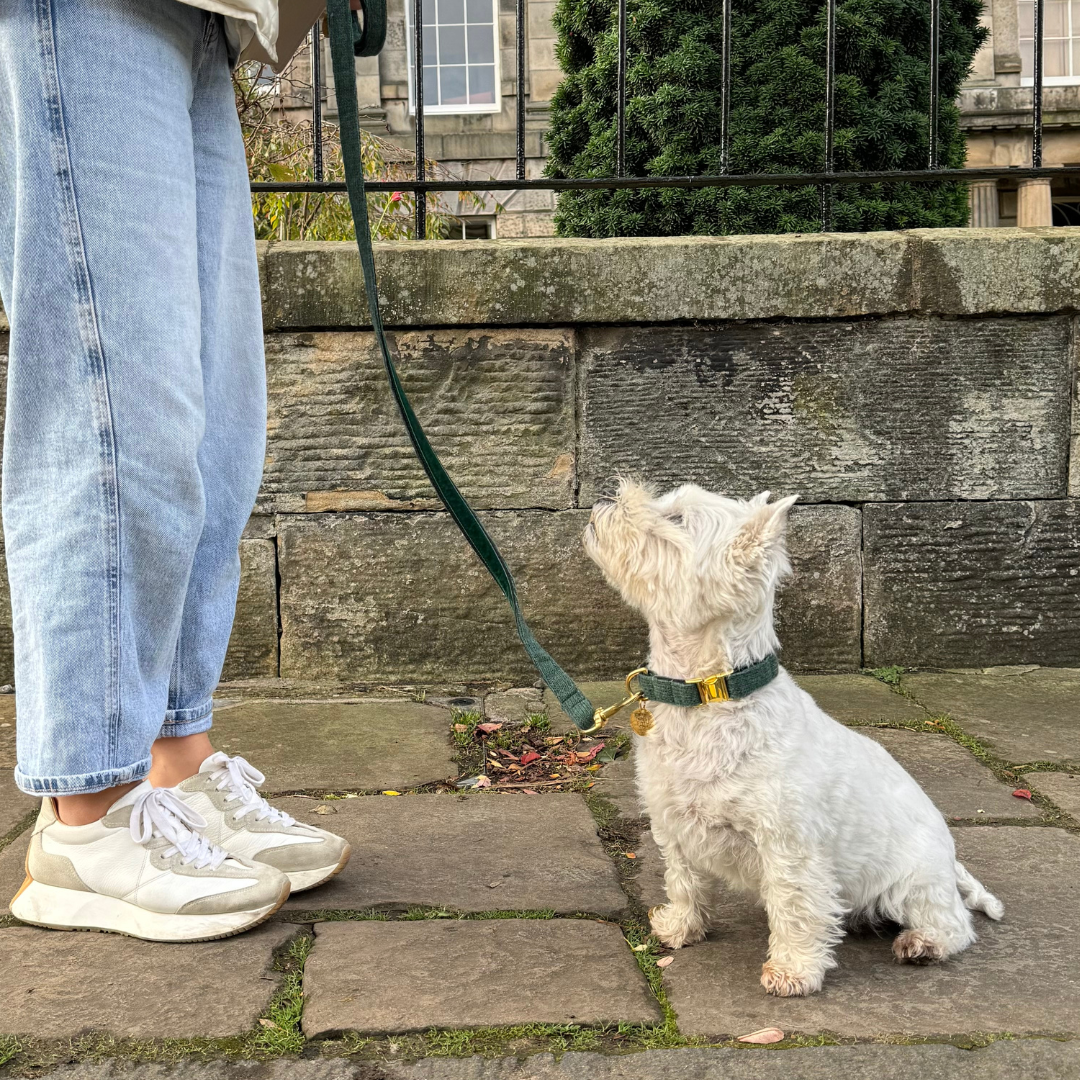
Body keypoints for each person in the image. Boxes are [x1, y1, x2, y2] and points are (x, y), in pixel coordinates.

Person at [0, 0, 347, 941]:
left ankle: (176, 769)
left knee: (214, 434)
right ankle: (86, 819)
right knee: (116, 414)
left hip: (209, 20)